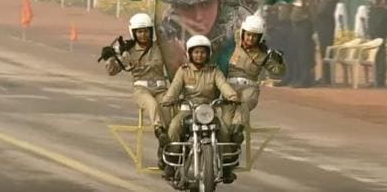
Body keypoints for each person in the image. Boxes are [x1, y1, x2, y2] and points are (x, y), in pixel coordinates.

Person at [160, 35, 239, 182]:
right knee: (174, 126)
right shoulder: (183, 71)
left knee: (223, 131)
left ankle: (226, 166)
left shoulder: (214, 71)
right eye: (196, 52)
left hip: (207, 111)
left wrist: (232, 96)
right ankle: (171, 163)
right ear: (190, 54)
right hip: (187, 110)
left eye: (203, 52)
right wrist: (168, 100)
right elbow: (174, 88)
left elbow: (223, 84)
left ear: (208, 54)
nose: (199, 55)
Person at [101, 13, 174, 170]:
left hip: (161, 87)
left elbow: (175, 61)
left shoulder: (160, 48)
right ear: (134, 32)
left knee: (169, 109)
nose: (143, 34)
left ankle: (166, 151)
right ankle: (159, 131)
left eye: (146, 31)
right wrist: (111, 57)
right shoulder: (127, 50)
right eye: (139, 31)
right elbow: (113, 71)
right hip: (142, 89)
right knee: (152, 104)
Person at [222, 15, 286, 139]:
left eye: (254, 36)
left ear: (259, 37)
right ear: (242, 33)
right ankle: (227, 151)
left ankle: (238, 129)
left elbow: (278, 71)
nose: (250, 38)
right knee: (226, 121)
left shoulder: (263, 54)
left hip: (249, 87)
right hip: (230, 86)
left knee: (244, 106)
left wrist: (280, 61)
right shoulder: (232, 44)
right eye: (248, 35)